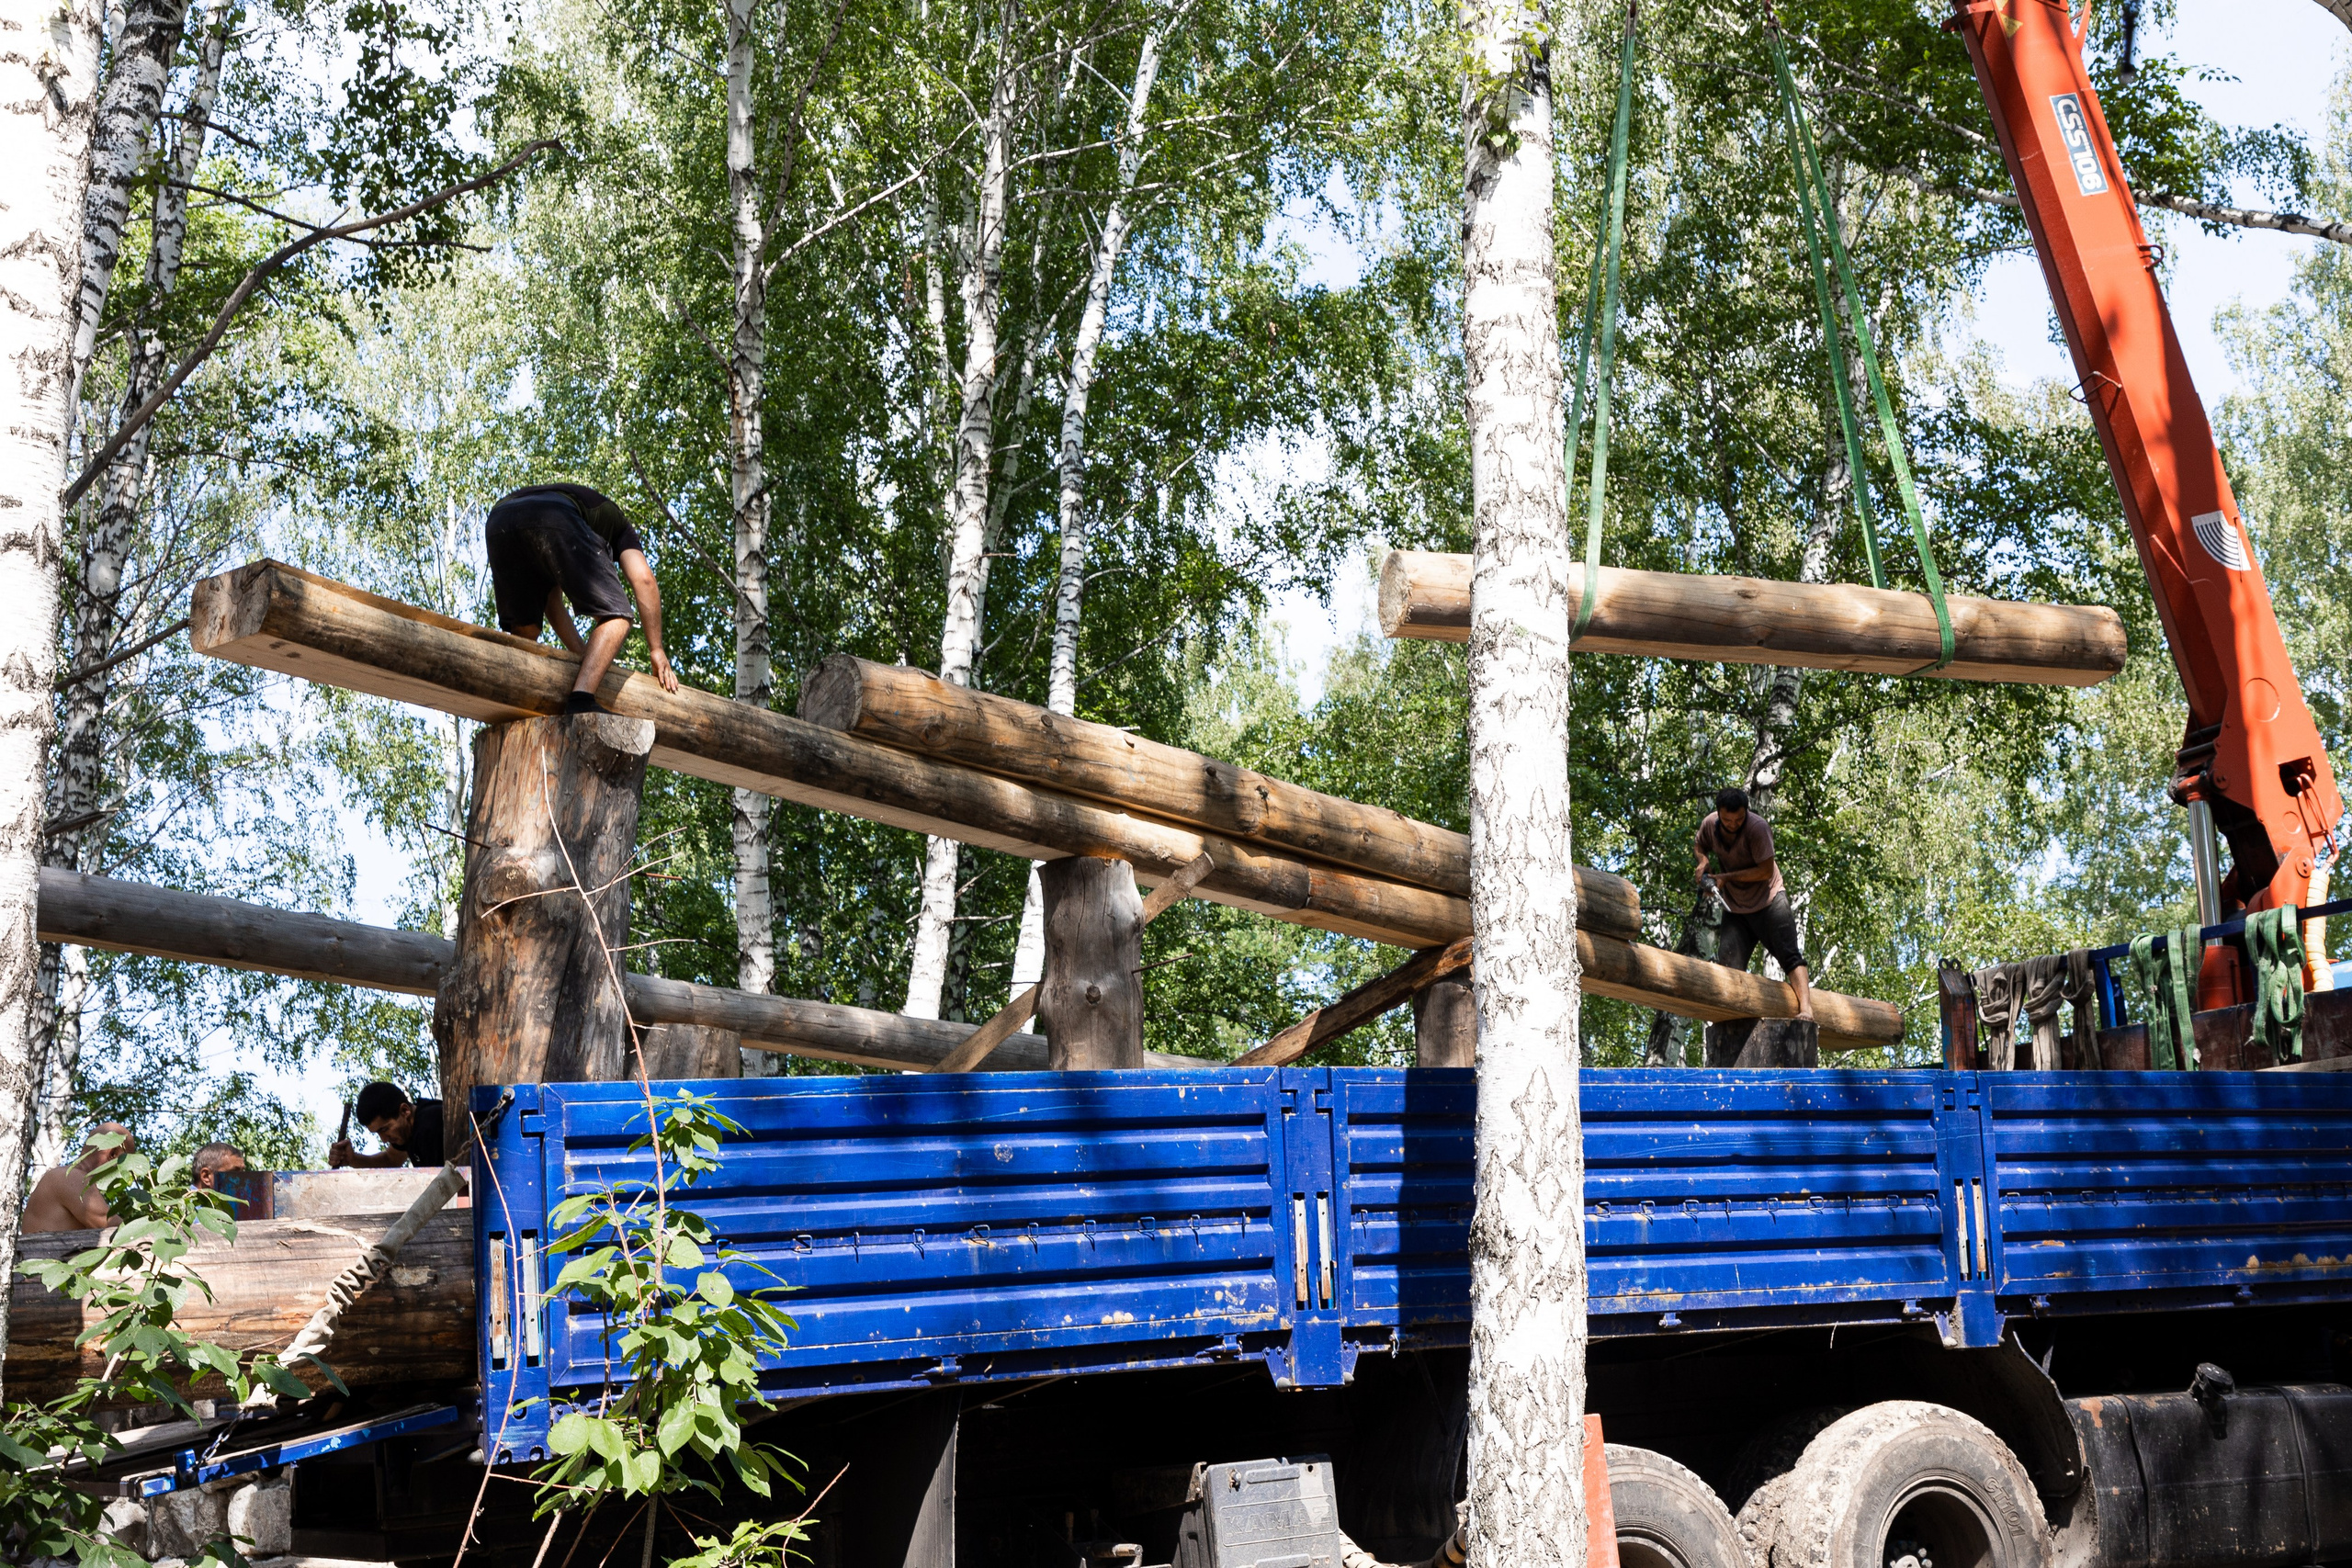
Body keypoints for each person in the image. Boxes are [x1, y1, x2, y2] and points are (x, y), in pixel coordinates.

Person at [485, 482, 680, 712]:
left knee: (525, 631)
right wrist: (656, 649)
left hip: (499, 520)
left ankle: (514, 697)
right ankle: (581, 700)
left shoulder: (574, 516)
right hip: (554, 515)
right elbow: (644, 579)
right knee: (617, 617)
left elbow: (552, 602)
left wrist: (584, 655)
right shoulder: (620, 529)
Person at [1693, 786, 1814, 1023]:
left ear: (1745, 813)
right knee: (1728, 963)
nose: (1733, 824)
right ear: (1718, 814)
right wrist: (1703, 861)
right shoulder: (1710, 824)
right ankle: (1733, 1019)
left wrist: (1726, 878)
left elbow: (1765, 871)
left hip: (1770, 901)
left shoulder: (1757, 829)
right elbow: (1700, 844)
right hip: (1736, 908)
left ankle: (1807, 1010)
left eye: (1739, 819)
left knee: (1790, 955)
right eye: (1728, 820)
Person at [22, 1123, 134, 1234]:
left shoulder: (62, 1176)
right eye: (125, 1162)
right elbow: (115, 1228)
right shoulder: (72, 1178)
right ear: (113, 1154)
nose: (122, 1173)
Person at [328, 1082, 447, 1169]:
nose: (384, 1139)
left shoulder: (430, 1125)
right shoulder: (409, 1128)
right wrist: (353, 1159)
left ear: (405, 1111)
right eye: (378, 1133)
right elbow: (390, 1160)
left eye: (385, 1129)